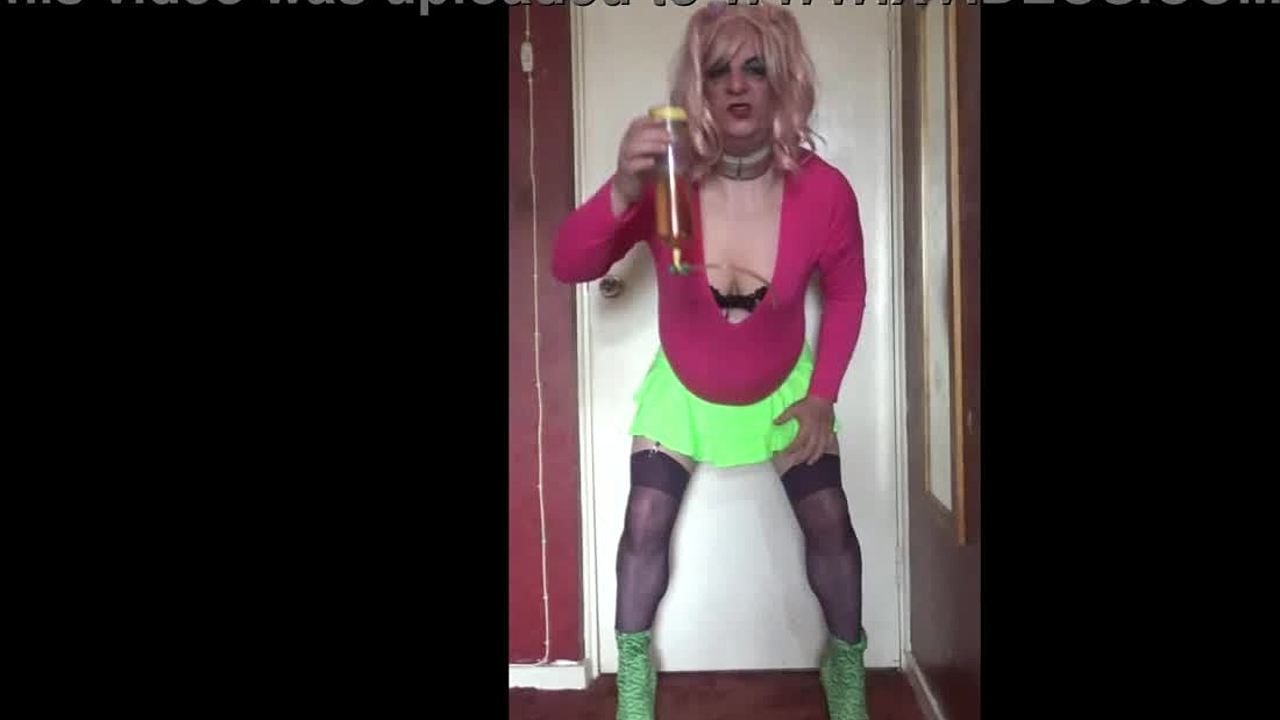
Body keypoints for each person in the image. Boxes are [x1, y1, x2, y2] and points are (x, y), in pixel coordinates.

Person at [552, 2, 869, 719]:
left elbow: (848, 293)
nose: (736, 85)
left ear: (784, 81)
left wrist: (822, 395)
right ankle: (634, 677)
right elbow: (569, 264)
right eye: (719, 70)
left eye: (756, 68)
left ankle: (846, 663)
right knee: (643, 523)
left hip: (784, 387)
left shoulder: (825, 191)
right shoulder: (666, 180)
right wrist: (622, 187)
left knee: (831, 522)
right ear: (697, 86)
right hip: (684, 388)